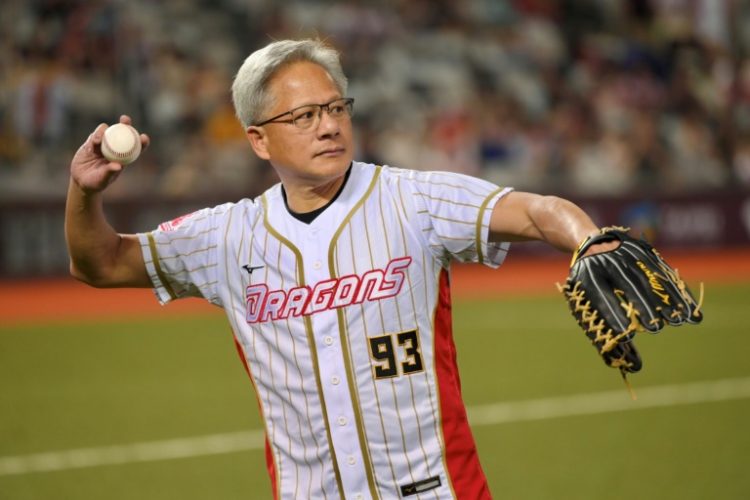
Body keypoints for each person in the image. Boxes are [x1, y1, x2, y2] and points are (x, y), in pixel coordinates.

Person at [66, 39, 618, 500]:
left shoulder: (412, 200)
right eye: (303, 116)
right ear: (258, 138)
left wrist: (590, 242)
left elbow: (536, 210)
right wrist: (83, 193)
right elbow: (102, 262)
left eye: (336, 108)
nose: (327, 126)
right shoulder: (226, 236)